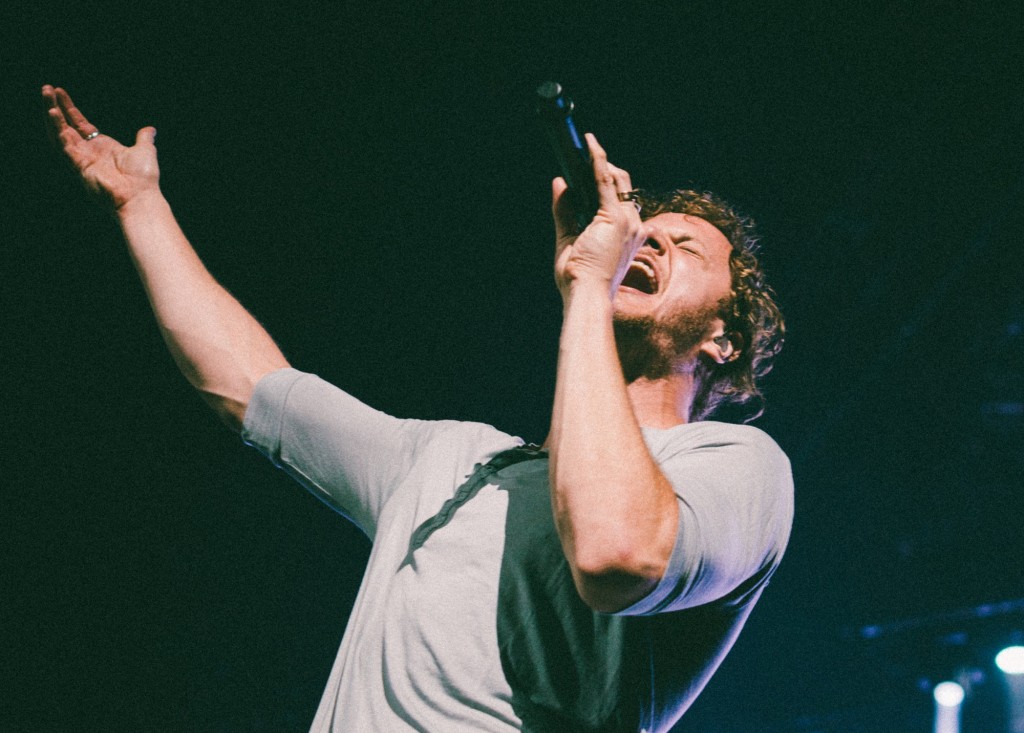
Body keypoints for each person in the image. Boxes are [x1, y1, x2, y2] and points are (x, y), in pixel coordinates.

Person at [43, 84, 793, 732]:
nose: (647, 241)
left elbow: (614, 552)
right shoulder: (454, 461)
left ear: (725, 338)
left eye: (684, 248)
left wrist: (590, 291)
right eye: (644, 233)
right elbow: (252, 385)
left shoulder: (734, 467)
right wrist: (141, 205)